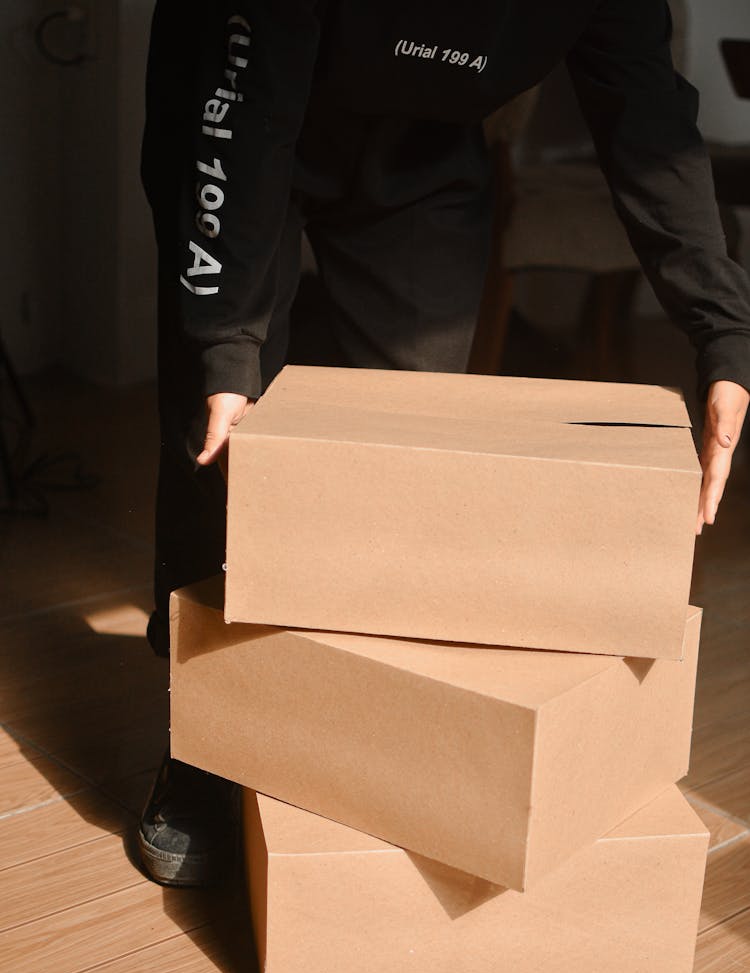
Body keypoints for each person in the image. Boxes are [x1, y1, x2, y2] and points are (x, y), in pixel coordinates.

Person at [138, 0, 750, 887]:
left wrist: (721, 332)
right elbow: (251, 100)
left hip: (426, 146)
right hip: (236, 109)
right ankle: (200, 739)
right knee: (218, 426)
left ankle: (359, 716)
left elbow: (647, 117)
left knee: (411, 442)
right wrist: (227, 348)